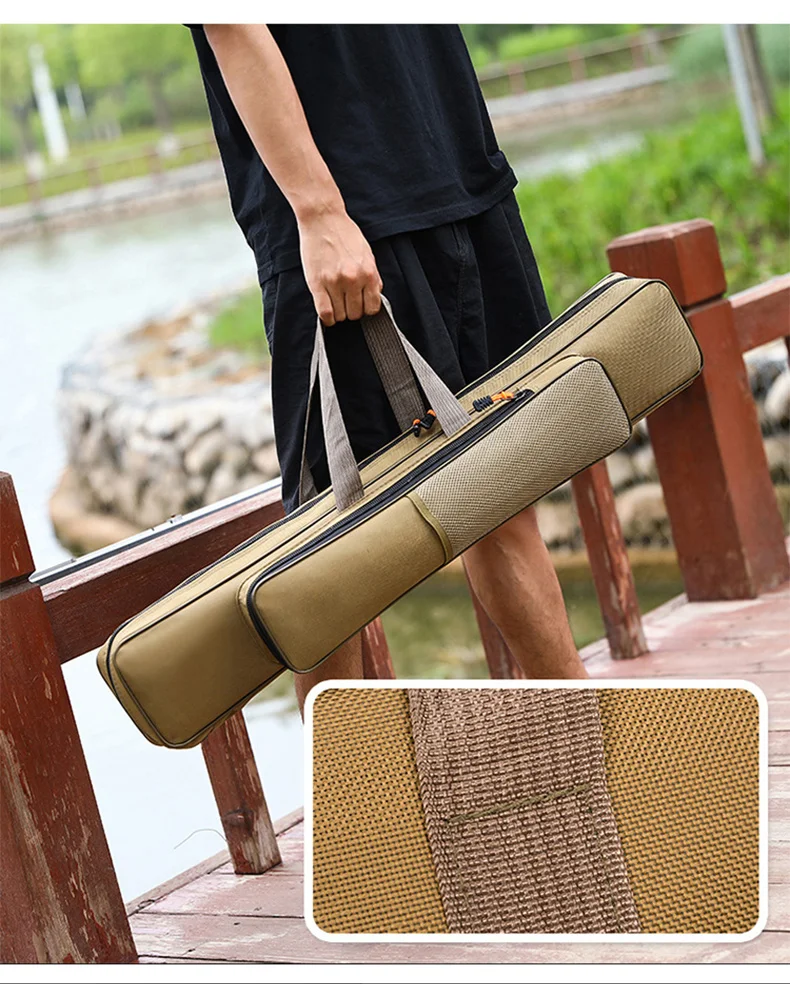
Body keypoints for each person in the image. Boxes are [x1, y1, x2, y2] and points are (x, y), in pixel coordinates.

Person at [188, 24, 587, 708]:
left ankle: (585, 733)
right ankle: (349, 776)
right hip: (346, 220)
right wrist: (319, 212)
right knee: (335, 548)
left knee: (502, 498)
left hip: (460, 171)